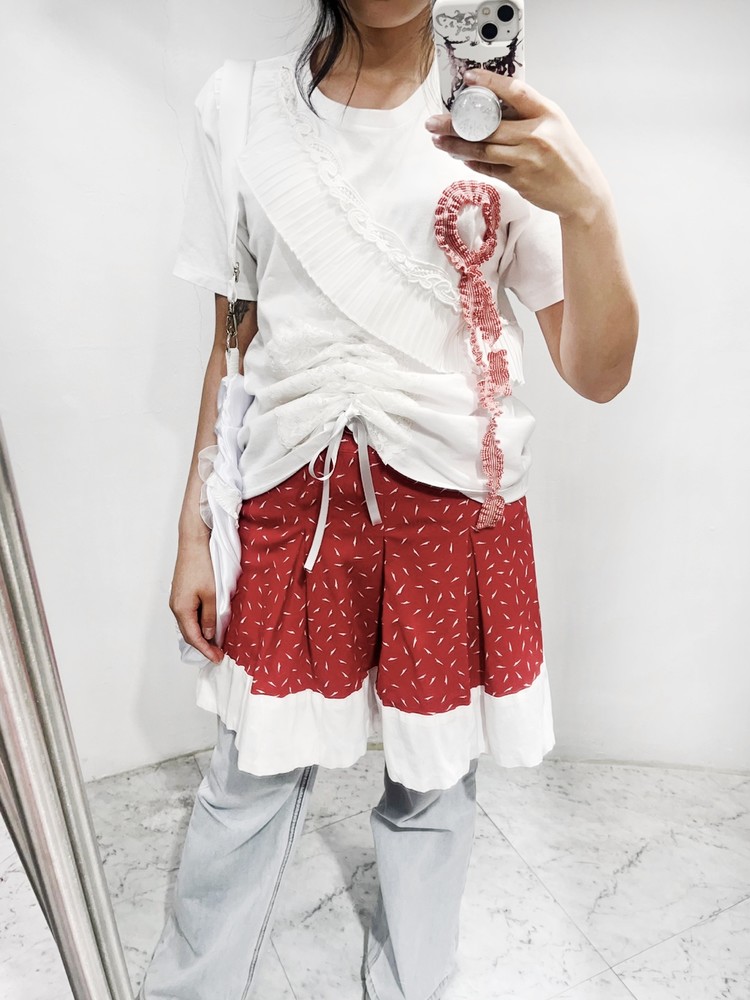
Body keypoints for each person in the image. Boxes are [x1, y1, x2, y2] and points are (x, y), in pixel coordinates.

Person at [139, 2, 638, 998]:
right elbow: (233, 339)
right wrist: (198, 531)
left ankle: (417, 978)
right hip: (292, 499)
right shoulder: (238, 108)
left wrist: (588, 209)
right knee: (250, 769)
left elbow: (597, 370)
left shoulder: (501, 121)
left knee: (434, 774)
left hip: (449, 509)